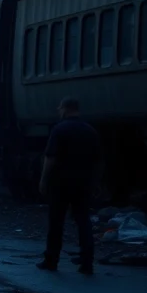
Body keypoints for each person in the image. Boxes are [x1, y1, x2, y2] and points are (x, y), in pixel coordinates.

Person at [37, 97, 100, 275]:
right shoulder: (90, 131)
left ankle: (51, 260)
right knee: (83, 221)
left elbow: (50, 158)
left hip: (61, 184)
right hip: (83, 183)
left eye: (60, 109)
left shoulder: (59, 130)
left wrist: (43, 180)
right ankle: (87, 262)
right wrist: (95, 183)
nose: (59, 112)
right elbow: (98, 161)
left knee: (56, 222)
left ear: (65, 109)